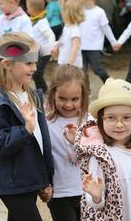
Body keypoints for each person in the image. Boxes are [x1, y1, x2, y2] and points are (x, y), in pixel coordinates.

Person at [0, 32, 54, 221]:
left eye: (35, 62)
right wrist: (25, 130)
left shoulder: (33, 96)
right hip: (11, 182)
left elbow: (42, 141)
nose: (34, 68)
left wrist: (46, 179)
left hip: (30, 177)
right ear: (7, 64)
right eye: (28, 63)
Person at [74, 78, 131, 221]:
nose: (119, 124)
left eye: (126, 117)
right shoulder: (100, 156)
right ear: (101, 120)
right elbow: (94, 204)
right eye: (111, 118)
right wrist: (96, 196)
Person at [46, 65, 89, 221]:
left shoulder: (90, 122)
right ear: (53, 95)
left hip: (89, 191)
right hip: (59, 193)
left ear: (84, 97)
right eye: (62, 99)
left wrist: (77, 142)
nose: (68, 105)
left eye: (74, 99)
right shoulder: (45, 123)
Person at [77, 0, 118, 83]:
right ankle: (86, 91)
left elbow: (106, 28)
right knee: (81, 70)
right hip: (81, 46)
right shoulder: (79, 10)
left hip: (94, 47)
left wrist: (113, 42)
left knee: (97, 69)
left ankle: (109, 83)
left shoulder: (99, 12)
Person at [26, 0, 55, 93]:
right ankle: (41, 88)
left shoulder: (42, 22)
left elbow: (50, 35)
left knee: (36, 72)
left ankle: (42, 89)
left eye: (27, 7)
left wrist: (52, 49)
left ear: (32, 8)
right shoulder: (35, 20)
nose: (27, 9)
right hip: (37, 51)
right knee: (36, 72)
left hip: (44, 52)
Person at [52, 0, 84, 69]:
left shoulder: (75, 30)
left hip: (72, 66)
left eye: (63, 12)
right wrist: (56, 46)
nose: (61, 15)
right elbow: (63, 39)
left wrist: (69, 64)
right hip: (63, 62)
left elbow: (75, 48)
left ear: (68, 14)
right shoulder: (66, 27)